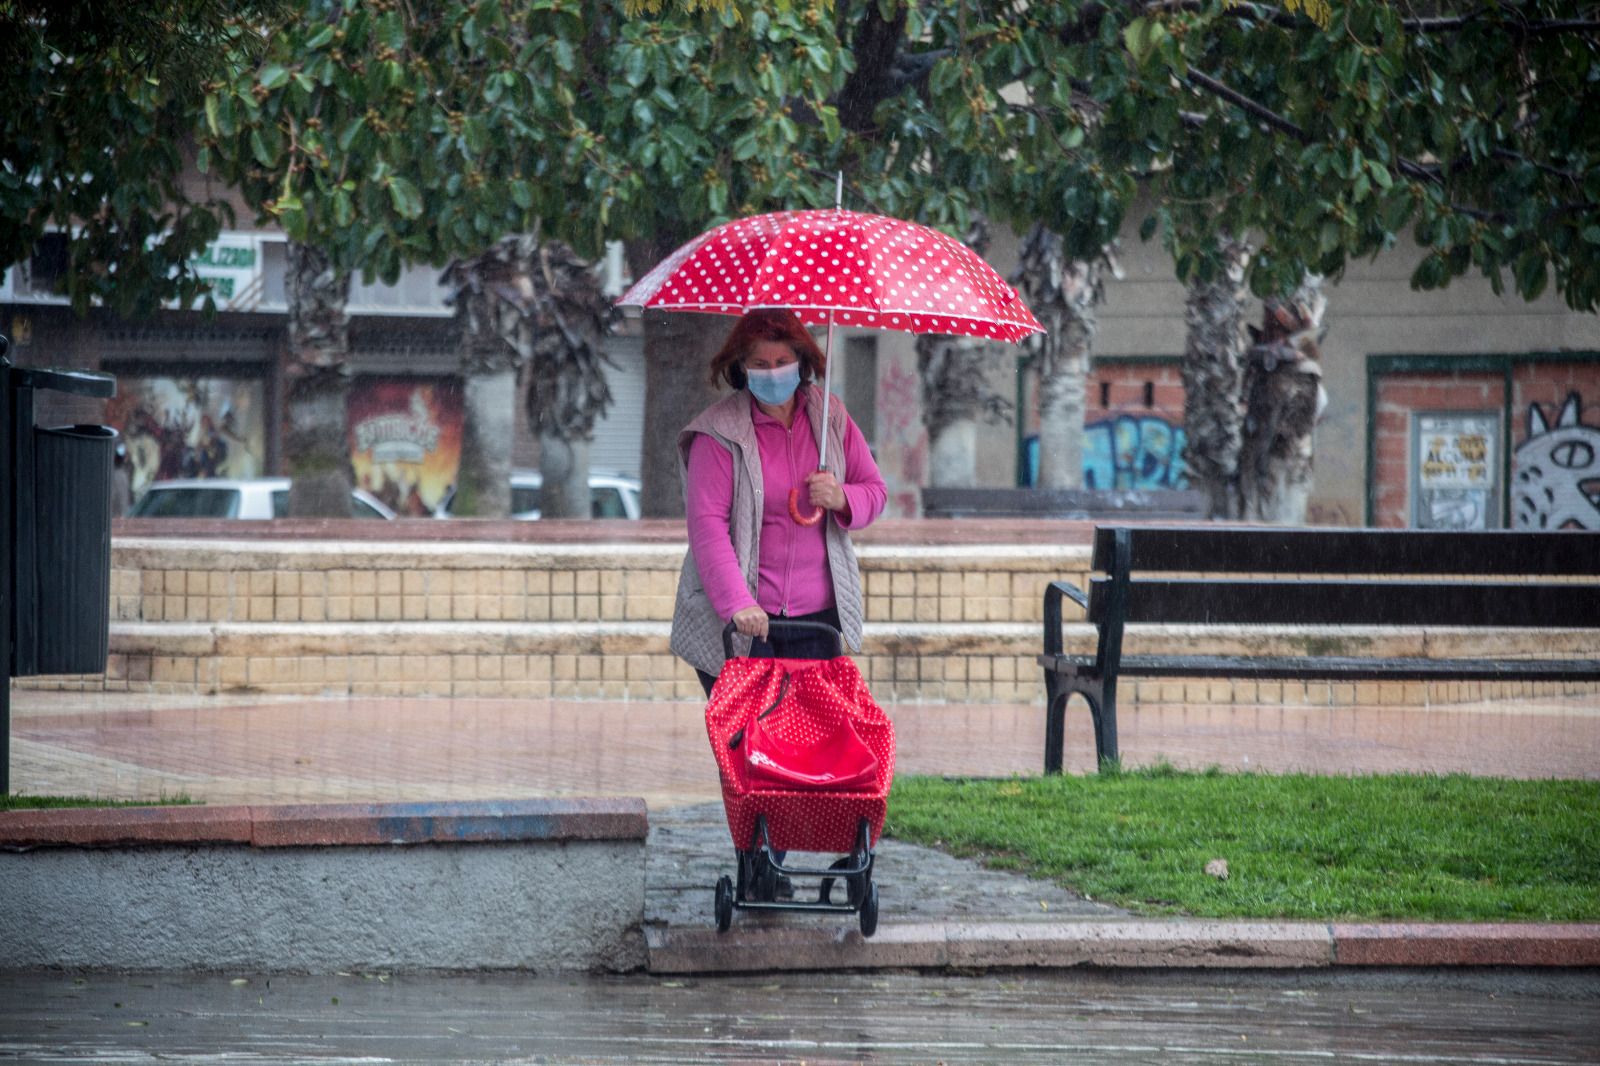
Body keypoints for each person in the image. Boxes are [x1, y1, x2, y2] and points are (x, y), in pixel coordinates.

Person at [670, 308, 888, 699]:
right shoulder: (718, 434)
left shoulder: (830, 417)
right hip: (746, 620)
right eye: (761, 364)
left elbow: (875, 490)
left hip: (816, 621)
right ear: (742, 367)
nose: (773, 372)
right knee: (752, 746)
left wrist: (842, 497)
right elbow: (707, 528)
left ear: (802, 361)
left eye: (783, 362)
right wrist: (738, 604)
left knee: (812, 747)